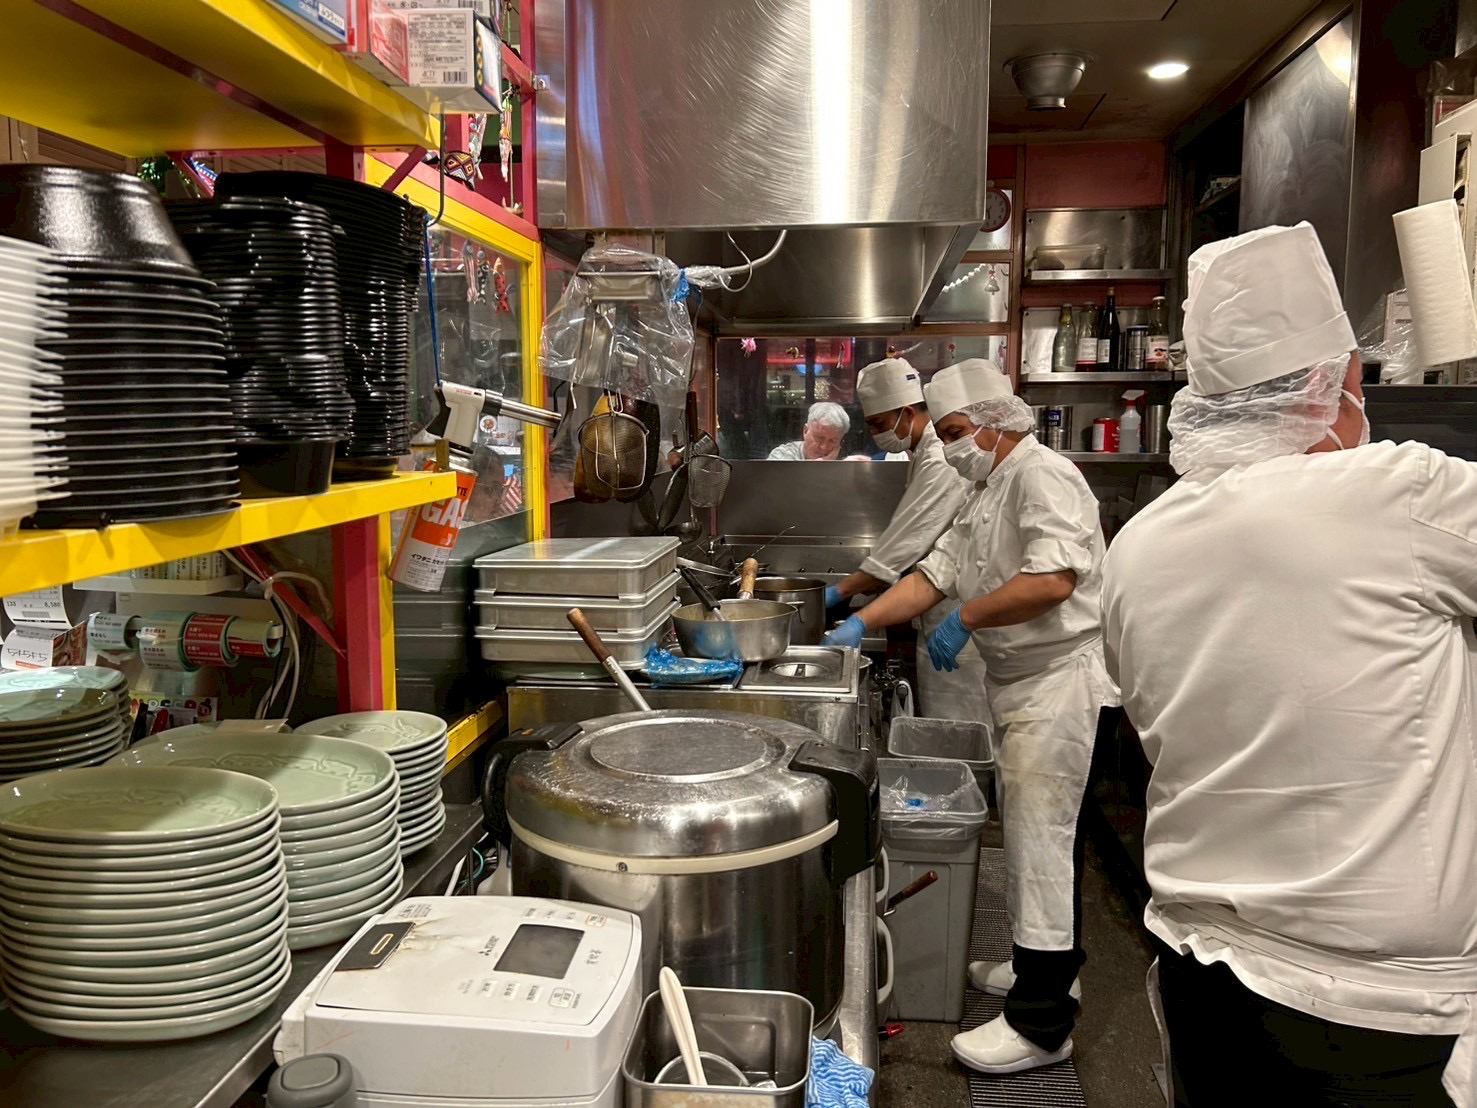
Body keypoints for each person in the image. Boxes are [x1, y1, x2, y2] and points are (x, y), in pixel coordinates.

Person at [1100, 222, 1477, 1107]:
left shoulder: (1141, 542)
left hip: (1200, 963)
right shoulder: (1394, 493)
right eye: (1358, 384)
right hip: (1368, 1002)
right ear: (1331, 386)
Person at [826, 358, 1114, 1075]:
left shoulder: (1042, 475)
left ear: (996, 422)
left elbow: (1053, 579)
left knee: (1042, 845)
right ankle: (1039, 966)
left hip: (1062, 686)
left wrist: (969, 618)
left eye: (956, 431)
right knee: (1029, 839)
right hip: (1021, 684)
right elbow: (933, 575)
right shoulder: (987, 487)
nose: (949, 445)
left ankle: (1042, 1025)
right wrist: (858, 624)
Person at [824, 357, 989, 722]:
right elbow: (929, 551)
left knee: (959, 725)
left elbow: (907, 541)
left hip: (961, 618)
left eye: (879, 424)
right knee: (946, 723)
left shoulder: (942, 458)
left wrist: (843, 594)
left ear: (908, 412)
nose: (875, 434)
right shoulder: (925, 451)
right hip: (943, 606)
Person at [766, 401, 850, 460]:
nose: (824, 447)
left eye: (832, 441)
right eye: (819, 438)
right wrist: (824, 467)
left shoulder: (845, 461)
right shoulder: (783, 454)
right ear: (805, 431)